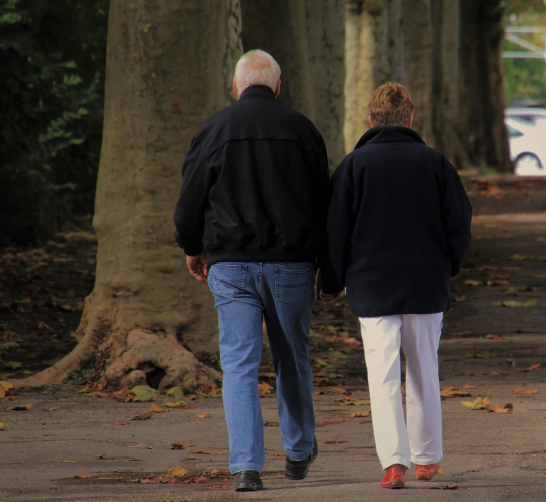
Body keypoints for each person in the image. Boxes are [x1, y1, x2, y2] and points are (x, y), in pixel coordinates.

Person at [173, 49, 341, 492]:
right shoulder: (303, 131)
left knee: (239, 364)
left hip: (229, 264)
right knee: (292, 359)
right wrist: (330, 267)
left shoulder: (214, 129)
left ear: (237, 85)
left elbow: (190, 200)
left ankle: (246, 467)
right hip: (292, 265)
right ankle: (300, 450)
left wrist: (194, 247)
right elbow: (325, 205)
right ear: (278, 85)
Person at [325, 82, 472, 489]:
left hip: (371, 287)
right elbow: (459, 223)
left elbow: (336, 231)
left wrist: (333, 279)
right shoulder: (436, 163)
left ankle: (394, 461)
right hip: (426, 284)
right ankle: (427, 457)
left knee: (383, 375)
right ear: (410, 119)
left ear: (370, 121)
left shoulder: (354, 166)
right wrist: (450, 266)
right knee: (425, 369)